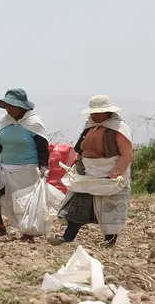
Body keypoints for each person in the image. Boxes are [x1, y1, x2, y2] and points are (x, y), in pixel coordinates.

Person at [49, 95, 133, 247]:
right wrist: (79, 163)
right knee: (79, 203)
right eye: (93, 113)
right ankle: (67, 237)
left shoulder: (118, 128)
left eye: (99, 112)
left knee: (109, 208)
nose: (95, 115)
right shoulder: (89, 126)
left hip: (109, 172)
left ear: (107, 112)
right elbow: (81, 147)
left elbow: (126, 154)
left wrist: (116, 172)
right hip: (88, 173)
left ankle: (109, 241)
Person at [0, 89, 50, 240]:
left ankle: (28, 233)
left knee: (25, 203)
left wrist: (43, 165)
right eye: (7, 105)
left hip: (27, 169)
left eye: (12, 105)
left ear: (22, 107)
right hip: (5, 167)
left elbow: (42, 146)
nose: (9, 109)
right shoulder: (4, 121)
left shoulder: (33, 123)